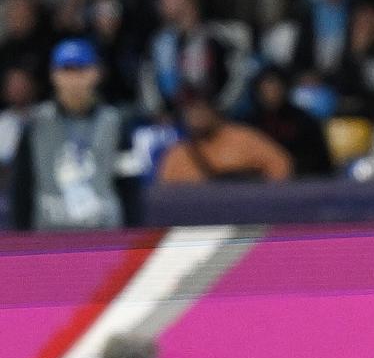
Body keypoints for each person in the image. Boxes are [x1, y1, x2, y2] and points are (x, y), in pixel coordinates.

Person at [9, 39, 143, 231]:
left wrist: (133, 240)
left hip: (106, 236)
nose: (74, 79)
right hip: (49, 238)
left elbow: (130, 187)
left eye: (80, 69)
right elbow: (22, 187)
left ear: (95, 73)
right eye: (66, 70)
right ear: (54, 75)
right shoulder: (35, 124)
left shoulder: (116, 123)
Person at [156, 87, 294, 184]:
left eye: (201, 110)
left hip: (245, 217)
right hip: (198, 221)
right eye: (190, 112)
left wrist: (263, 198)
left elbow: (281, 163)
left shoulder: (243, 137)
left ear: (214, 111)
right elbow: (164, 194)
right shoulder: (178, 154)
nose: (196, 117)